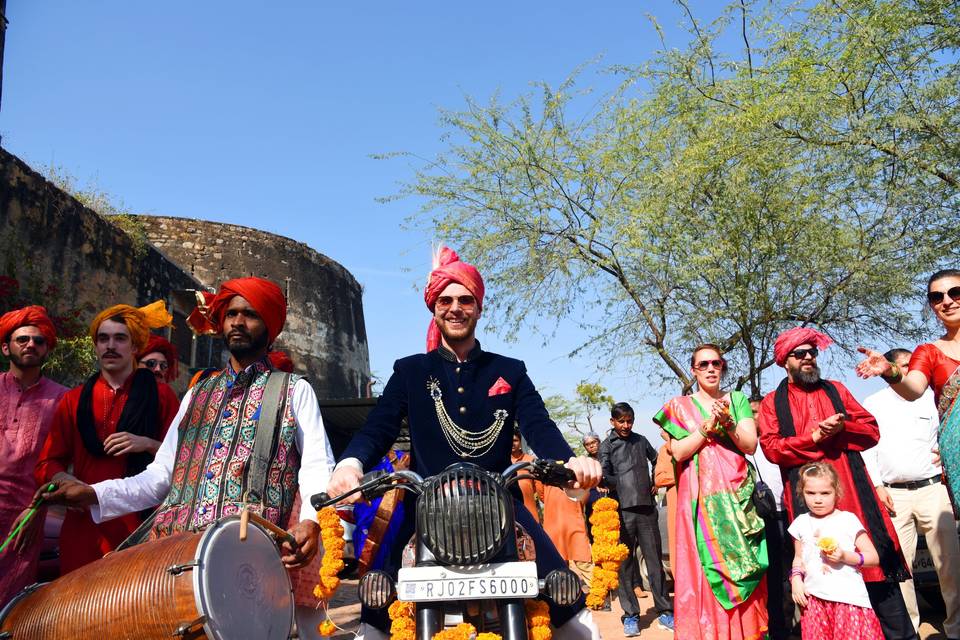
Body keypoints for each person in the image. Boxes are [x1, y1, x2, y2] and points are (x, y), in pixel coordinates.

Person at [325, 246, 602, 640]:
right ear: (434, 308)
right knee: (376, 609)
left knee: (566, 599)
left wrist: (571, 462)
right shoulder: (410, 371)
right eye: (446, 300)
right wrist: (350, 463)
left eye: (465, 299)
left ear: (479, 307)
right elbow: (379, 426)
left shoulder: (509, 370)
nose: (455, 308)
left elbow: (539, 424)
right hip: (423, 505)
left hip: (500, 503)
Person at [37, 277, 335, 638]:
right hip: (174, 559)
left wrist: (311, 522)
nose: (237, 322)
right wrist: (95, 494)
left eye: (250, 315)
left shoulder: (294, 391)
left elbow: (318, 466)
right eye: (231, 314)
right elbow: (160, 478)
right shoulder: (197, 394)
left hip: (248, 563)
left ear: (269, 327)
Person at [758, 326, 916, 640]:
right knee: (823, 580)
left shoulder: (837, 390)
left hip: (854, 497)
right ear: (784, 361)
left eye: (811, 352)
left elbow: (871, 431)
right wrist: (814, 437)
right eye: (799, 353)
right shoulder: (772, 403)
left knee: (877, 573)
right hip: (809, 506)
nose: (807, 358)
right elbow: (773, 448)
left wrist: (842, 428)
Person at [30, 301, 180, 574]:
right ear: (96, 346)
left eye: (120, 338)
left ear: (135, 347)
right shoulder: (72, 400)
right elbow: (47, 463)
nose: (110, 346)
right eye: (103, 339)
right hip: (83, 523)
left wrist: (147, 444)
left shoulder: (162, 397)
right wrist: (65, 481)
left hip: (139, 526)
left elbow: (184, 460)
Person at [654, 344, 768, 640]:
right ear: (693, 370)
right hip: (700, 500)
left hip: (736, 495)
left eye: (716, 363)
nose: (710, 369)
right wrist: (705, 430)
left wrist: (728, 423)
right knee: (703, 569)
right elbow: (678, 452)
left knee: (744, 566)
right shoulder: (679, 406)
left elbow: (749, 445)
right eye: (703, 364)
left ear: (723, 366)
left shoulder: (737, 399)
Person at [862, 348, 960, 639]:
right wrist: (877, 486)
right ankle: (911, 631)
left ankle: (956, 629)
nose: (909, 371)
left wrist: (947, 454)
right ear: (887, 368)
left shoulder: (930, 398)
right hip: (894, 495)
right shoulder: (873, 403)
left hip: (933, 489)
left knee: (950, 565)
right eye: (903, 365)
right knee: (900, 570)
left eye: (913, 366)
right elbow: (868, 447)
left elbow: (949, 430)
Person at [856, 269, 960, 510]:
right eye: (937, 297)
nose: (946, 301)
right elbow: (912, 389)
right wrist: (889, 371)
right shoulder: (928, 351)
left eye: (955, 293)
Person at [0, 306, 68, 606]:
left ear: (47, 350)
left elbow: (64, 460)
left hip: (24, 517)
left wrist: (40, 509)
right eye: (22, 339)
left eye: (39, 341)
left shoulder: (63, 398)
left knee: (10, 602)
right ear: (6, 347)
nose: (31, 345)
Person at [788, 461, 884, 640]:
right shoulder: (800, 522)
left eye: (825, 493)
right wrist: (795, 579)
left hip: (848, 600)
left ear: (836, 492)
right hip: (815, 601)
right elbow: (799, 558)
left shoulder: (848, 519)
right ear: (802, 493)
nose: (818, 499)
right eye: (810, 493)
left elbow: (873, 557)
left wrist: (844, 556)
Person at [600, 402, 673, 635]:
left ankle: (664, 611)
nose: (626, 425)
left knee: (654, 563)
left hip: (647, 510)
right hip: (622, 512)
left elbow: (657, 458)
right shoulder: (607, 446)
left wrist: (654, 480)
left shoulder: (641, 440)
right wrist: (619, 483)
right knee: (625, 566)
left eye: (629, 420)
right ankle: (630, 616)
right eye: (621, 421)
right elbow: (603, 475)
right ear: (612, 422)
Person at [749, 397, 793, 640]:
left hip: (791, 515)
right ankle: (779, 630)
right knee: (774, 579)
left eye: (761, 412)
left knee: (799, 572)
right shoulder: (742, 447)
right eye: (753, 412)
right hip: (764, 520)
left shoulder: (780, 442)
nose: (758, 417)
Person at [512, 431, 542, 522]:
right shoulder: (503, 462)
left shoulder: (530, 460)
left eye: (515, 440)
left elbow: (540, 489)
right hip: (510, 508)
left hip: (529, 506)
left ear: (520, 442)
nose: (512, 443)